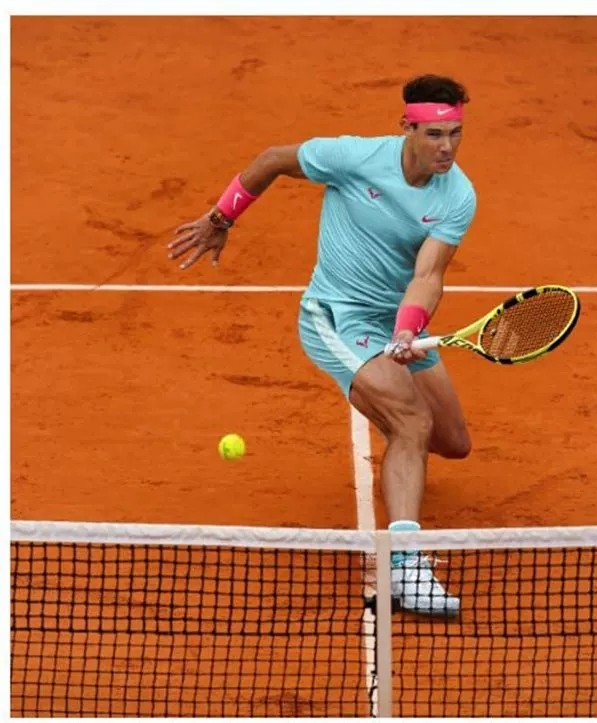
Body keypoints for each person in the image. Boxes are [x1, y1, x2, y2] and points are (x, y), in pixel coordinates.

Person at [168, 74, 476, 615]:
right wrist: (221, 218)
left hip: (395, 321)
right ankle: (405, 566)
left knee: (452, 442)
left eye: (454, 134)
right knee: (411, 422)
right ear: (406, 128)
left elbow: (428, 274)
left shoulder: (458, 195)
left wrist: (407, 328)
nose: (446, 147)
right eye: (434, 134)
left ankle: (393, 426)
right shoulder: (353, 157)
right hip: (336, 316)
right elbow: (271, 160)